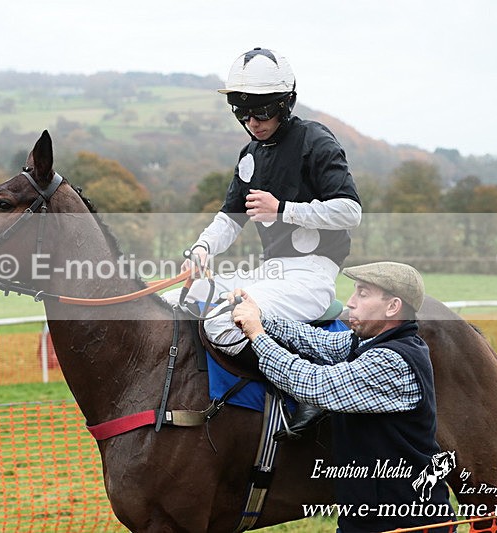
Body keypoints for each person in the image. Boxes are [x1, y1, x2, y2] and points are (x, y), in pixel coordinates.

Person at [162, 47, 362, 435]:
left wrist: (283, 209)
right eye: (243, 113)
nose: (253, 122)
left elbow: (350, 210)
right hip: (270, 273)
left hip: (312, 276)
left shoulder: (315, 140)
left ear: (286, 104)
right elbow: (229, 217)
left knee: (223, 322)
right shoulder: (250, 154)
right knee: (176, 301)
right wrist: (200, 249)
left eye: (262, 112)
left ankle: (303, 391)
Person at [230, 261, 455, 533]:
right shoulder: (365, 343)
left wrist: (257, 335)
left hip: (408, 526)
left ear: (393, 306)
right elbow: (313, 340)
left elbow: (313, 385)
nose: (350, 302)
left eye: (362, 293)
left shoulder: (392, 361)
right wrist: (261, 316)